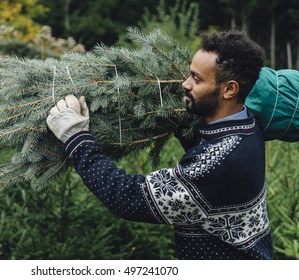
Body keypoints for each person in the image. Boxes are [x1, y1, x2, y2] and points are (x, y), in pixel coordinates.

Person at [46, 31, 274, 260]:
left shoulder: (218, 163)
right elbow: (199, 136)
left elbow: (129, 198)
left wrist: (75, 137)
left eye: (197, 79)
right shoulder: (246, 124)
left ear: (229, 90)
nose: (185, 84)